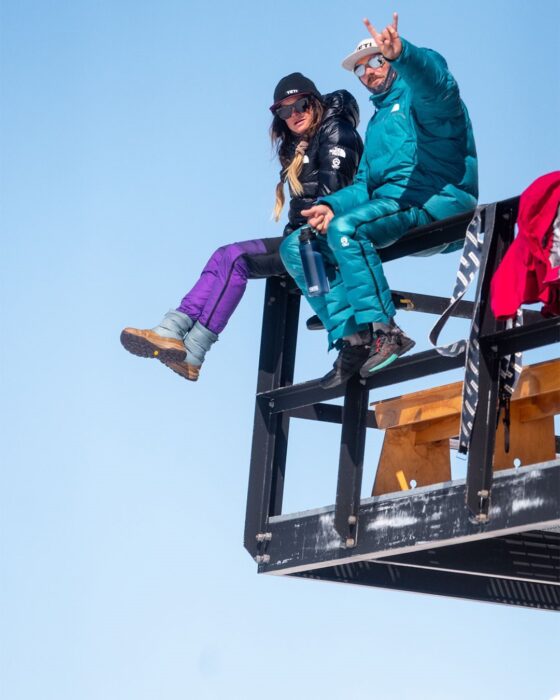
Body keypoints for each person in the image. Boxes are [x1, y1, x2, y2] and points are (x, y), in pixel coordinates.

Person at [120, 73, 363, 380]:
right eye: (284, 111)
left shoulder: (336, 131)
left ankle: (194, 349)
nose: (294, 114)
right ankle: (172, 330)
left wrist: (318, 222)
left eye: (300, 105)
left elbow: (335, 196)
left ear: (314, 101)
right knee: (225, 254)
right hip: (300, 237)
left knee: (237, 260)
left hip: (322, 239)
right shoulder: (298, 146)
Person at [280, 13, 478, 388]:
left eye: (376, 61)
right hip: (393, 205)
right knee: (300, 244)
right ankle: (352, 337)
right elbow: (366, 185)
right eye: (360, 69)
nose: (369, 72)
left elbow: (439, 85)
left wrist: (405, 55)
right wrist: (332, 205)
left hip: (437, 199)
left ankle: (388, 330)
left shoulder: (422, 100)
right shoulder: (378, 120)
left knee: (346, 230)